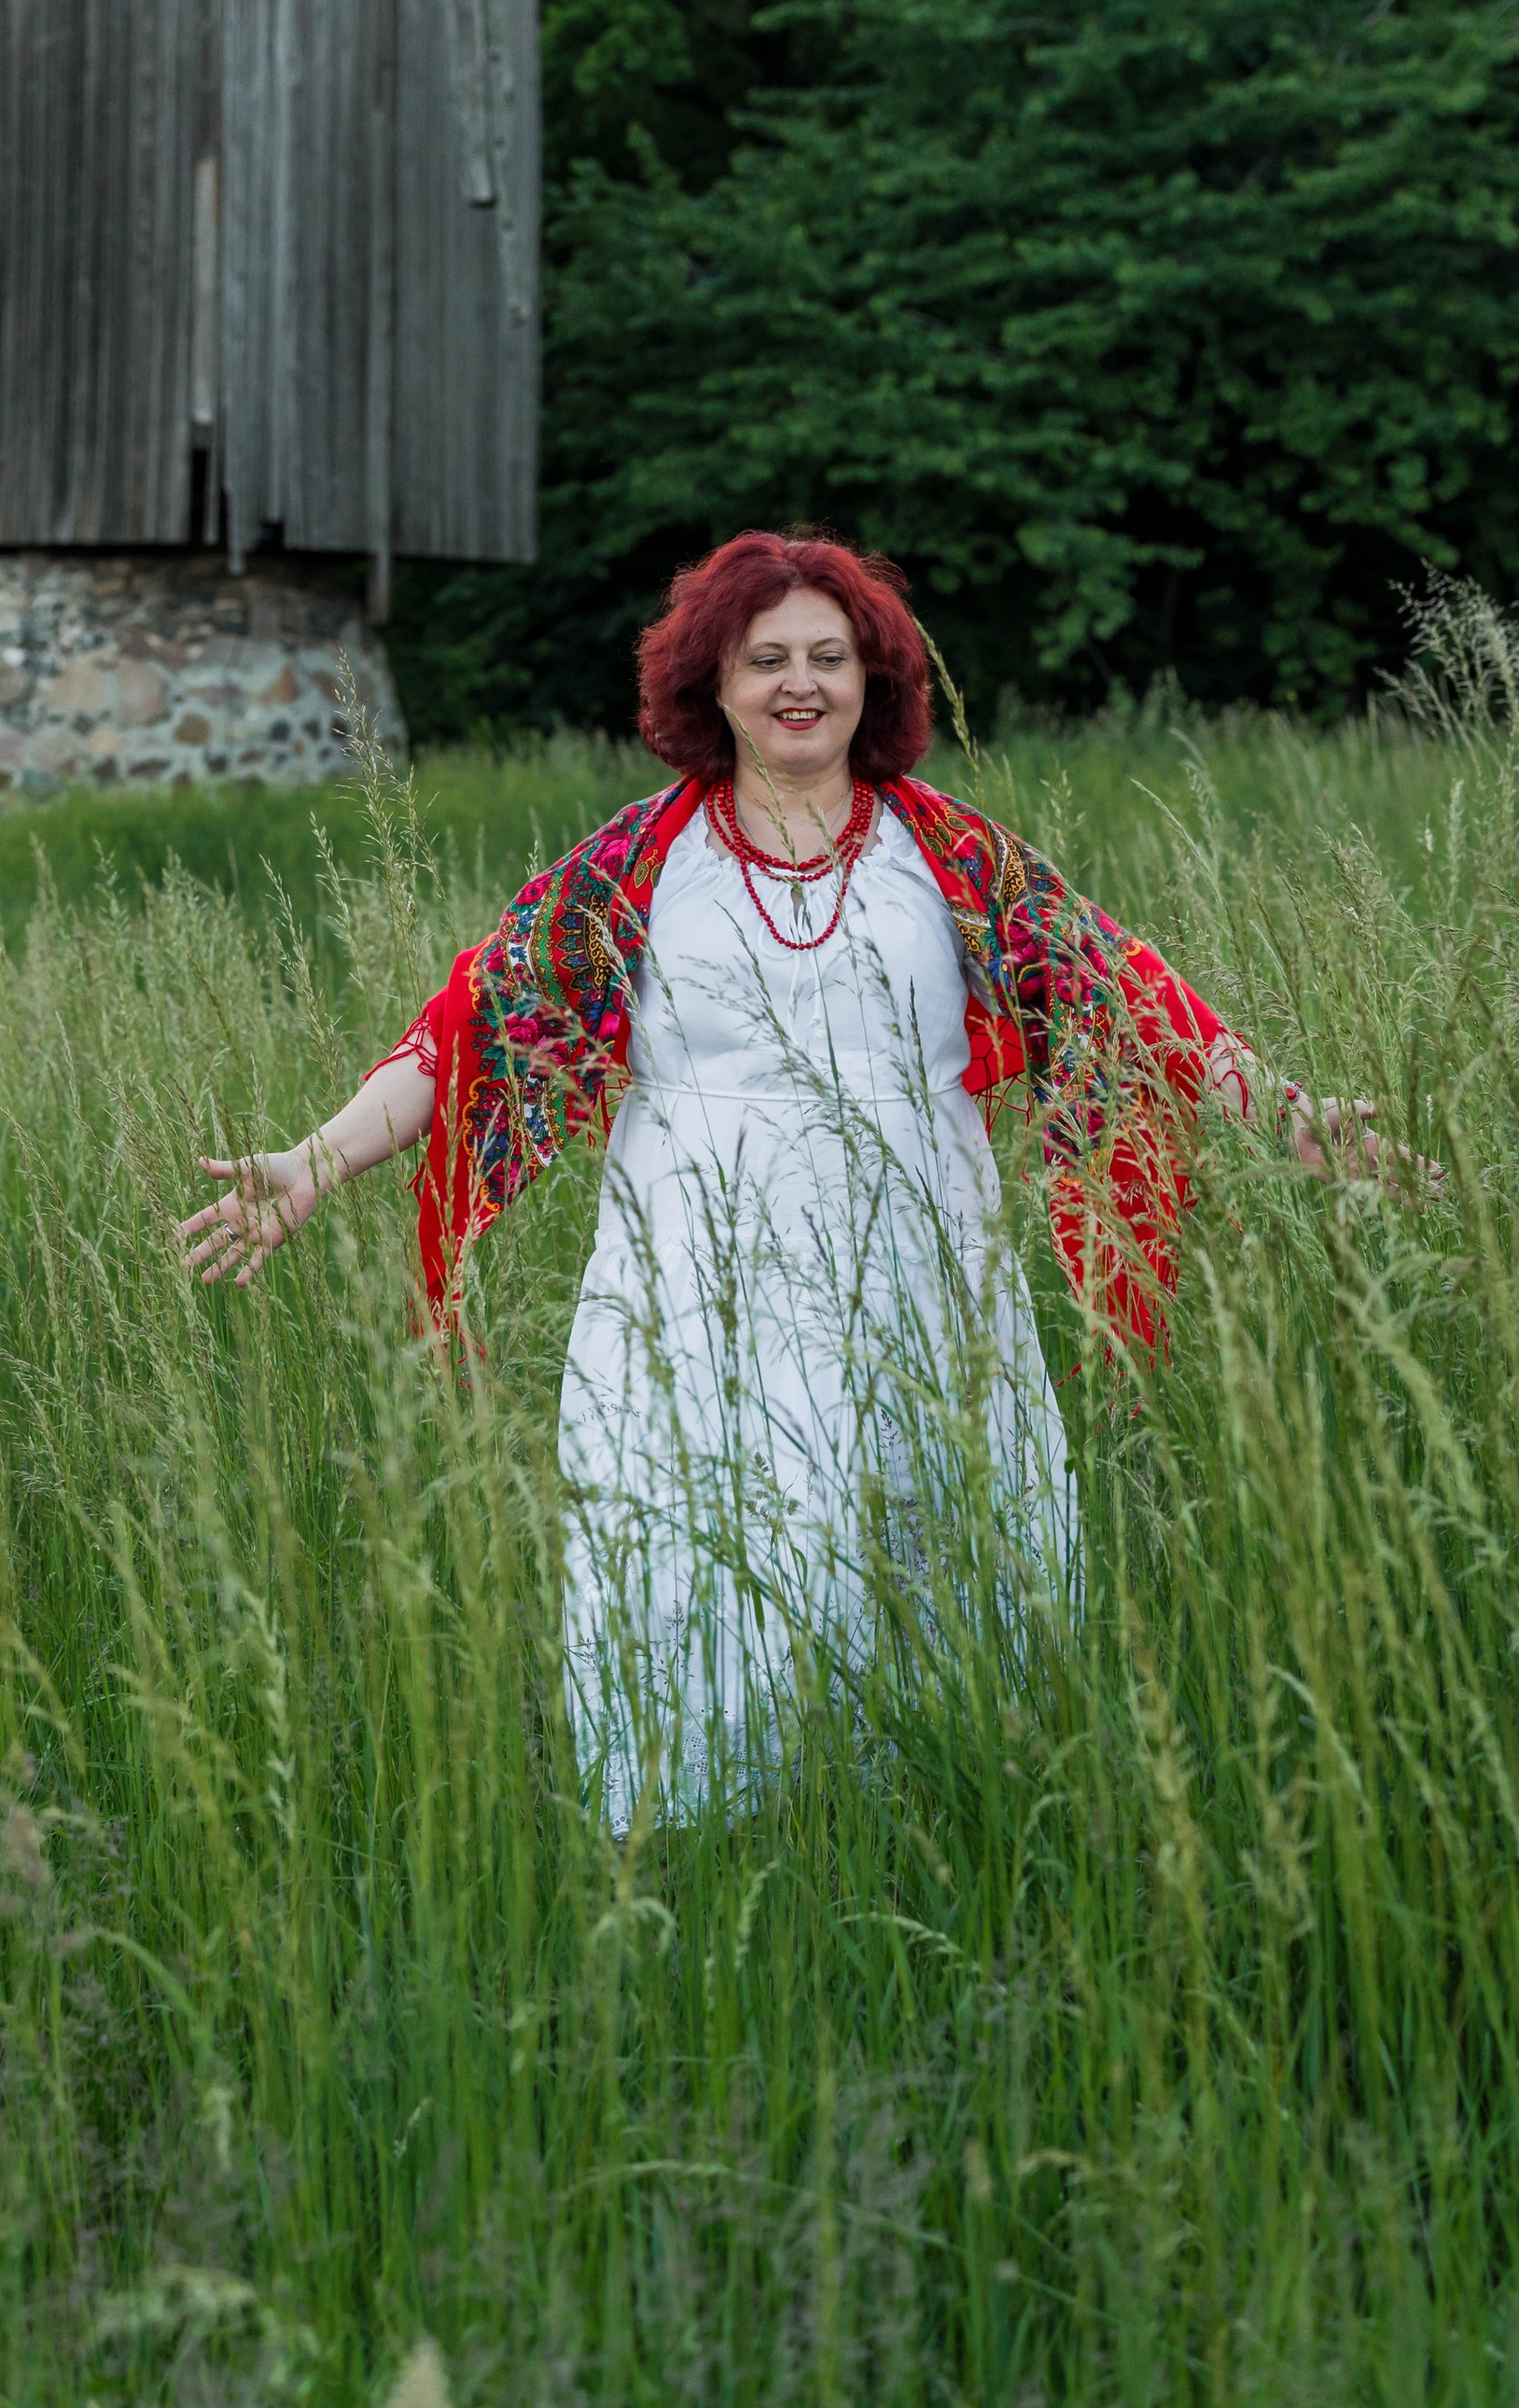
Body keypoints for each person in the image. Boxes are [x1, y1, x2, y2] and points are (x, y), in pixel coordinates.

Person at [180, 531, 1346, 1817]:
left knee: (940, 1571)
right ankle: (699, 1858)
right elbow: (472, 1034)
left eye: (829, 658)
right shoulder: (633, 867)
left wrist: (1293, 1115)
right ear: (714, 684)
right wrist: (311, 1161)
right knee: (699, 1575)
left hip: (922, 1285)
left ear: (873, 679)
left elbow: (1132, 1001)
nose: (801, 684)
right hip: (694, 1293)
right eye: (767, 658)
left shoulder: (956, 859)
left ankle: (947, 1828)